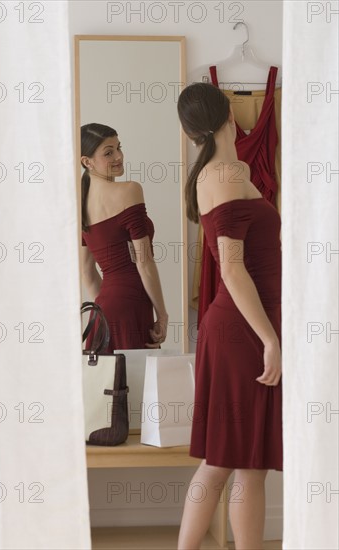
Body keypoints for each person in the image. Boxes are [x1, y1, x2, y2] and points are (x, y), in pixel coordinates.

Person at [176, 84, 282, 550]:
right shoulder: (221, 174)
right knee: (225, 459)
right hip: (243, 328)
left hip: (247, 323)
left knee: (248, 461)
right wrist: (270, 340)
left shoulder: (223, 170)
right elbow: (233, 269)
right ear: (228, 115)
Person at [80, 123, 168, 352]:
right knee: (140, 386)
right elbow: (144, 262)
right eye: (108, 152)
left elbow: (87, 274)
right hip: (132, 306)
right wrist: (163, 314)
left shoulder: (80, 205)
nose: (119, 156)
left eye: (119, 148)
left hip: (102, 312)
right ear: (87, 162)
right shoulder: (130, 190)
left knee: (110, 385)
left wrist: (109, 309)